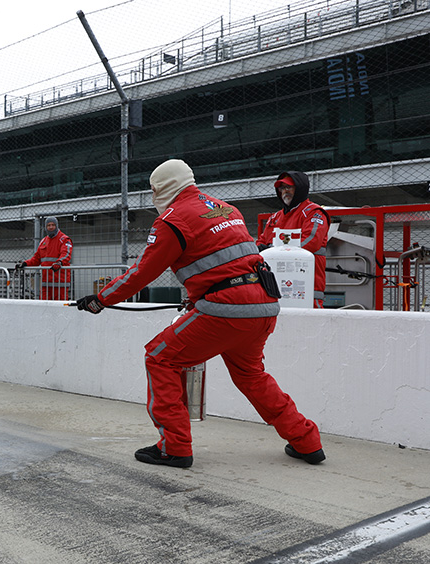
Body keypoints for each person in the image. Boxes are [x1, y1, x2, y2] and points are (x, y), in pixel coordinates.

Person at [75, 159, 324, 469]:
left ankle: (174, 447)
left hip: (225, 308)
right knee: (252, 375)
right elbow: (225, 261)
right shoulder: (226, 209)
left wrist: (101, 299)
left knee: (160, 357)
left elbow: (141, 273)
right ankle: (307, 441)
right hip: (264, 304)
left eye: (153, 191)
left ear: (161, 189)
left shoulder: (172, 220)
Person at [256, 171, 330, 308]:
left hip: (305, 285)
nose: (285, 191)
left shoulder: (314, 213)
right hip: (273, 286)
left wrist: (272, 250)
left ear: (300, 189)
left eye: (289, 187)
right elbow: (261, 244)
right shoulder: (274, 218)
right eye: (282, 188)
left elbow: (311, 243)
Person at [16, 217, 73, 300]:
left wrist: (59, 262)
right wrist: (25, 263)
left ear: (57, 226)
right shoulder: (43, 241)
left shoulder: (64, 239)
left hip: (60, 282)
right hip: (46, 283)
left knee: (60, 306)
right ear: (45, 227)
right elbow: (36, 259)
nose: (51, 227)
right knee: (44, 305)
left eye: (53, 225)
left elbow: (66, 254)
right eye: (48, 225)